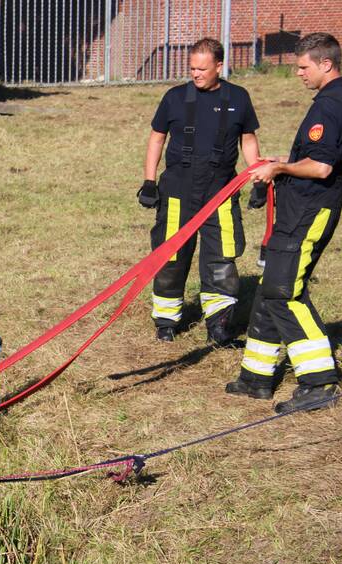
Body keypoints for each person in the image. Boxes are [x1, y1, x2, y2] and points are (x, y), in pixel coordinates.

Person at [226, 32, 342, 413]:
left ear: (326, 64)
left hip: (307, 213)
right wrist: (281, 165)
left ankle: (319, 382)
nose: (298, 73)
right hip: (298, 209)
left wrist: (280, 167)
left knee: (285, 292)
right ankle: (256, 378)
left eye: (303, 66)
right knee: (272, 288)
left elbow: (320, 165)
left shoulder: (330, 108)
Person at [138, 38, 263, 345]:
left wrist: (257, 178)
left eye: (202, 69)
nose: (195, 74)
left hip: (220, 192)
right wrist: (149, 181)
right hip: (177, 190)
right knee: (170, 255)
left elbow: (248, 139)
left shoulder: (239, 97)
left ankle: (219, 325)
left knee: (221, 258)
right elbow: (157, 138)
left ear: (219, 67)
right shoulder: (175, 97)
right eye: (192, 68)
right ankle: (166, 321)